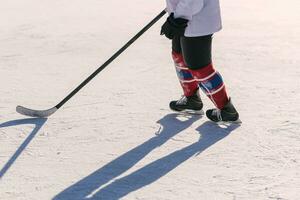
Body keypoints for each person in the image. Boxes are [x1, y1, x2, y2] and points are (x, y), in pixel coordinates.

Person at [160, 0, 240, 123]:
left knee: (199, 66)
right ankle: (192, 99)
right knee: (179, 55)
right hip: (182, 16)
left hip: (196, 20)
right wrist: (172, 10)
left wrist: (177, 17)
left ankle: (226, 110)